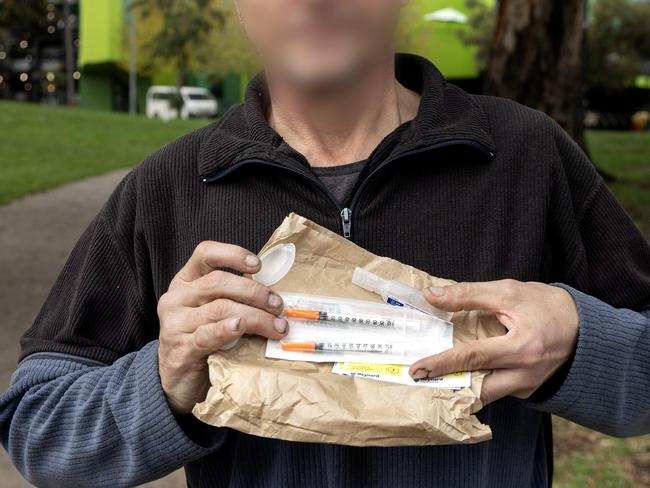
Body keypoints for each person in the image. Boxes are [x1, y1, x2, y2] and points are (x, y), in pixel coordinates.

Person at [1, 1, 649, 487]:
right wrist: (163, 380)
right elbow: (38, 422)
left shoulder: (528, 158)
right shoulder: (170, 186)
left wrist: (579, 340)